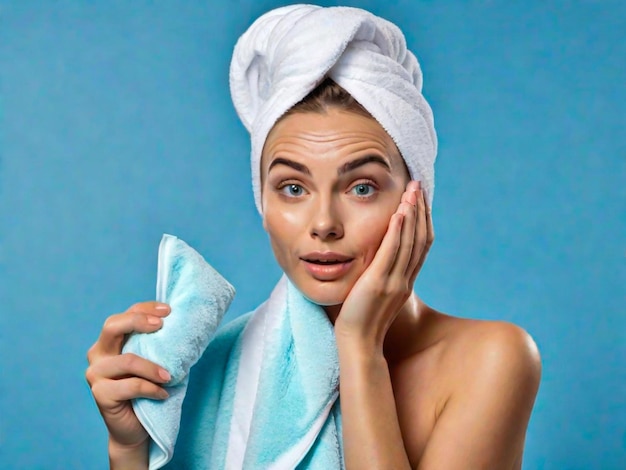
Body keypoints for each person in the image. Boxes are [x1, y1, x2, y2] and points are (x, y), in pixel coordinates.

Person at [86, 5, 541, 469]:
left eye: (361, 187)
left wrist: (360, 346)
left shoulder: (491, 359)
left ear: (416, 201)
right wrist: (130, 449)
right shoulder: (214, 366)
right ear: (264, 205)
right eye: (293, 188)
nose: (323, 222)